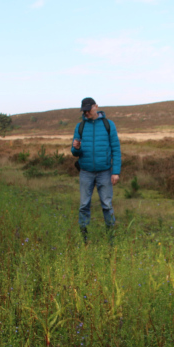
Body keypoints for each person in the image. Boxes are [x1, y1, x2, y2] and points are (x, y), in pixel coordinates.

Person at [71, 97, 121, 243]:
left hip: (105, 172)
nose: (86, 113)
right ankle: (84, 237)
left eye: (88, 110)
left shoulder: (108, 125)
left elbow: (116, 149)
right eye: (84, 111)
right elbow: (74, 152)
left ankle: (111, 237)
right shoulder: (80, 127)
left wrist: (115, 172)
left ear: (96, 107)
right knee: (83, 205)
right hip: (85, 172)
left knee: (107, 204)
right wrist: (76, 148)